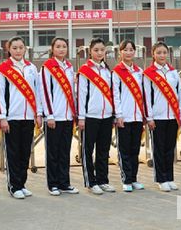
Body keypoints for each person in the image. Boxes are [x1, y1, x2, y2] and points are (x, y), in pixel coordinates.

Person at [0, 36, 43, 199]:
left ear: (25, 49)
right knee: (13, 152)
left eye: (20, 47)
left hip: (29, 116)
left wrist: (38, 113)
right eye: (14, 48)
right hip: (12, 117)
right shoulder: (3, 69)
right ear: (9, 49)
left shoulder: (31, 68)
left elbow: (37, 92)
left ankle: (22, 184)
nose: (18, 51)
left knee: (25, 152)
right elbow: (0, 94)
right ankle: (13, 185)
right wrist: (2, 117)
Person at [40, 37, 79, 196]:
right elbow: (45, 92)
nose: (61, 49)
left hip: (68, 116)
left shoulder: (69, 67)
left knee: (65, 151)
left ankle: (64, 183)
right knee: (52, 152)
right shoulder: (47, 67)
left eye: (64, 46)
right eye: (58, 46)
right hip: (54, 117)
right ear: (52, 49)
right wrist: (49, 115)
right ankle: (53, 184)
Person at [143, 42, 181, 192]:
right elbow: (146, 97)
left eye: (164, 53)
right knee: (158, 149)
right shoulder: (149, 74)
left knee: (169, 148)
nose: (161, 56)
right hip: (157, 117)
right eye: (158, 53)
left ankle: (170, 178)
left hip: (172, 116)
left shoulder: (173, 73)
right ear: (153, 54)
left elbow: (180, 95)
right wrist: (149, 117)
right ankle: (160, 179)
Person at [77, 38, 116, 195]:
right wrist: (81, 117)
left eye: (102, 50)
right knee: (88, 150)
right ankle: (90, 182)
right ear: (90, 51)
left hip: (106, 116)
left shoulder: (107, 71)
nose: (99, 53)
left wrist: (113, 114)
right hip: (90, 116)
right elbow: (81, 95)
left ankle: (103, 180)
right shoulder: (85, 71)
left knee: (103, 150)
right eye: (96, 50)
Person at [112, 39, 146, 192]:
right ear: (120, 52)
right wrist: (118, 114)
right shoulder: (117, 72)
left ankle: (134, 178)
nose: (129, 52)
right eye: (125, 49)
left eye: (131, 49)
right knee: (124, 149)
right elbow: (115, 95)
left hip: (138, 116)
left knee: (135, 149)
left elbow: (144, 95)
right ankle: (126, 179)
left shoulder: (139, 72)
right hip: (124, 117)